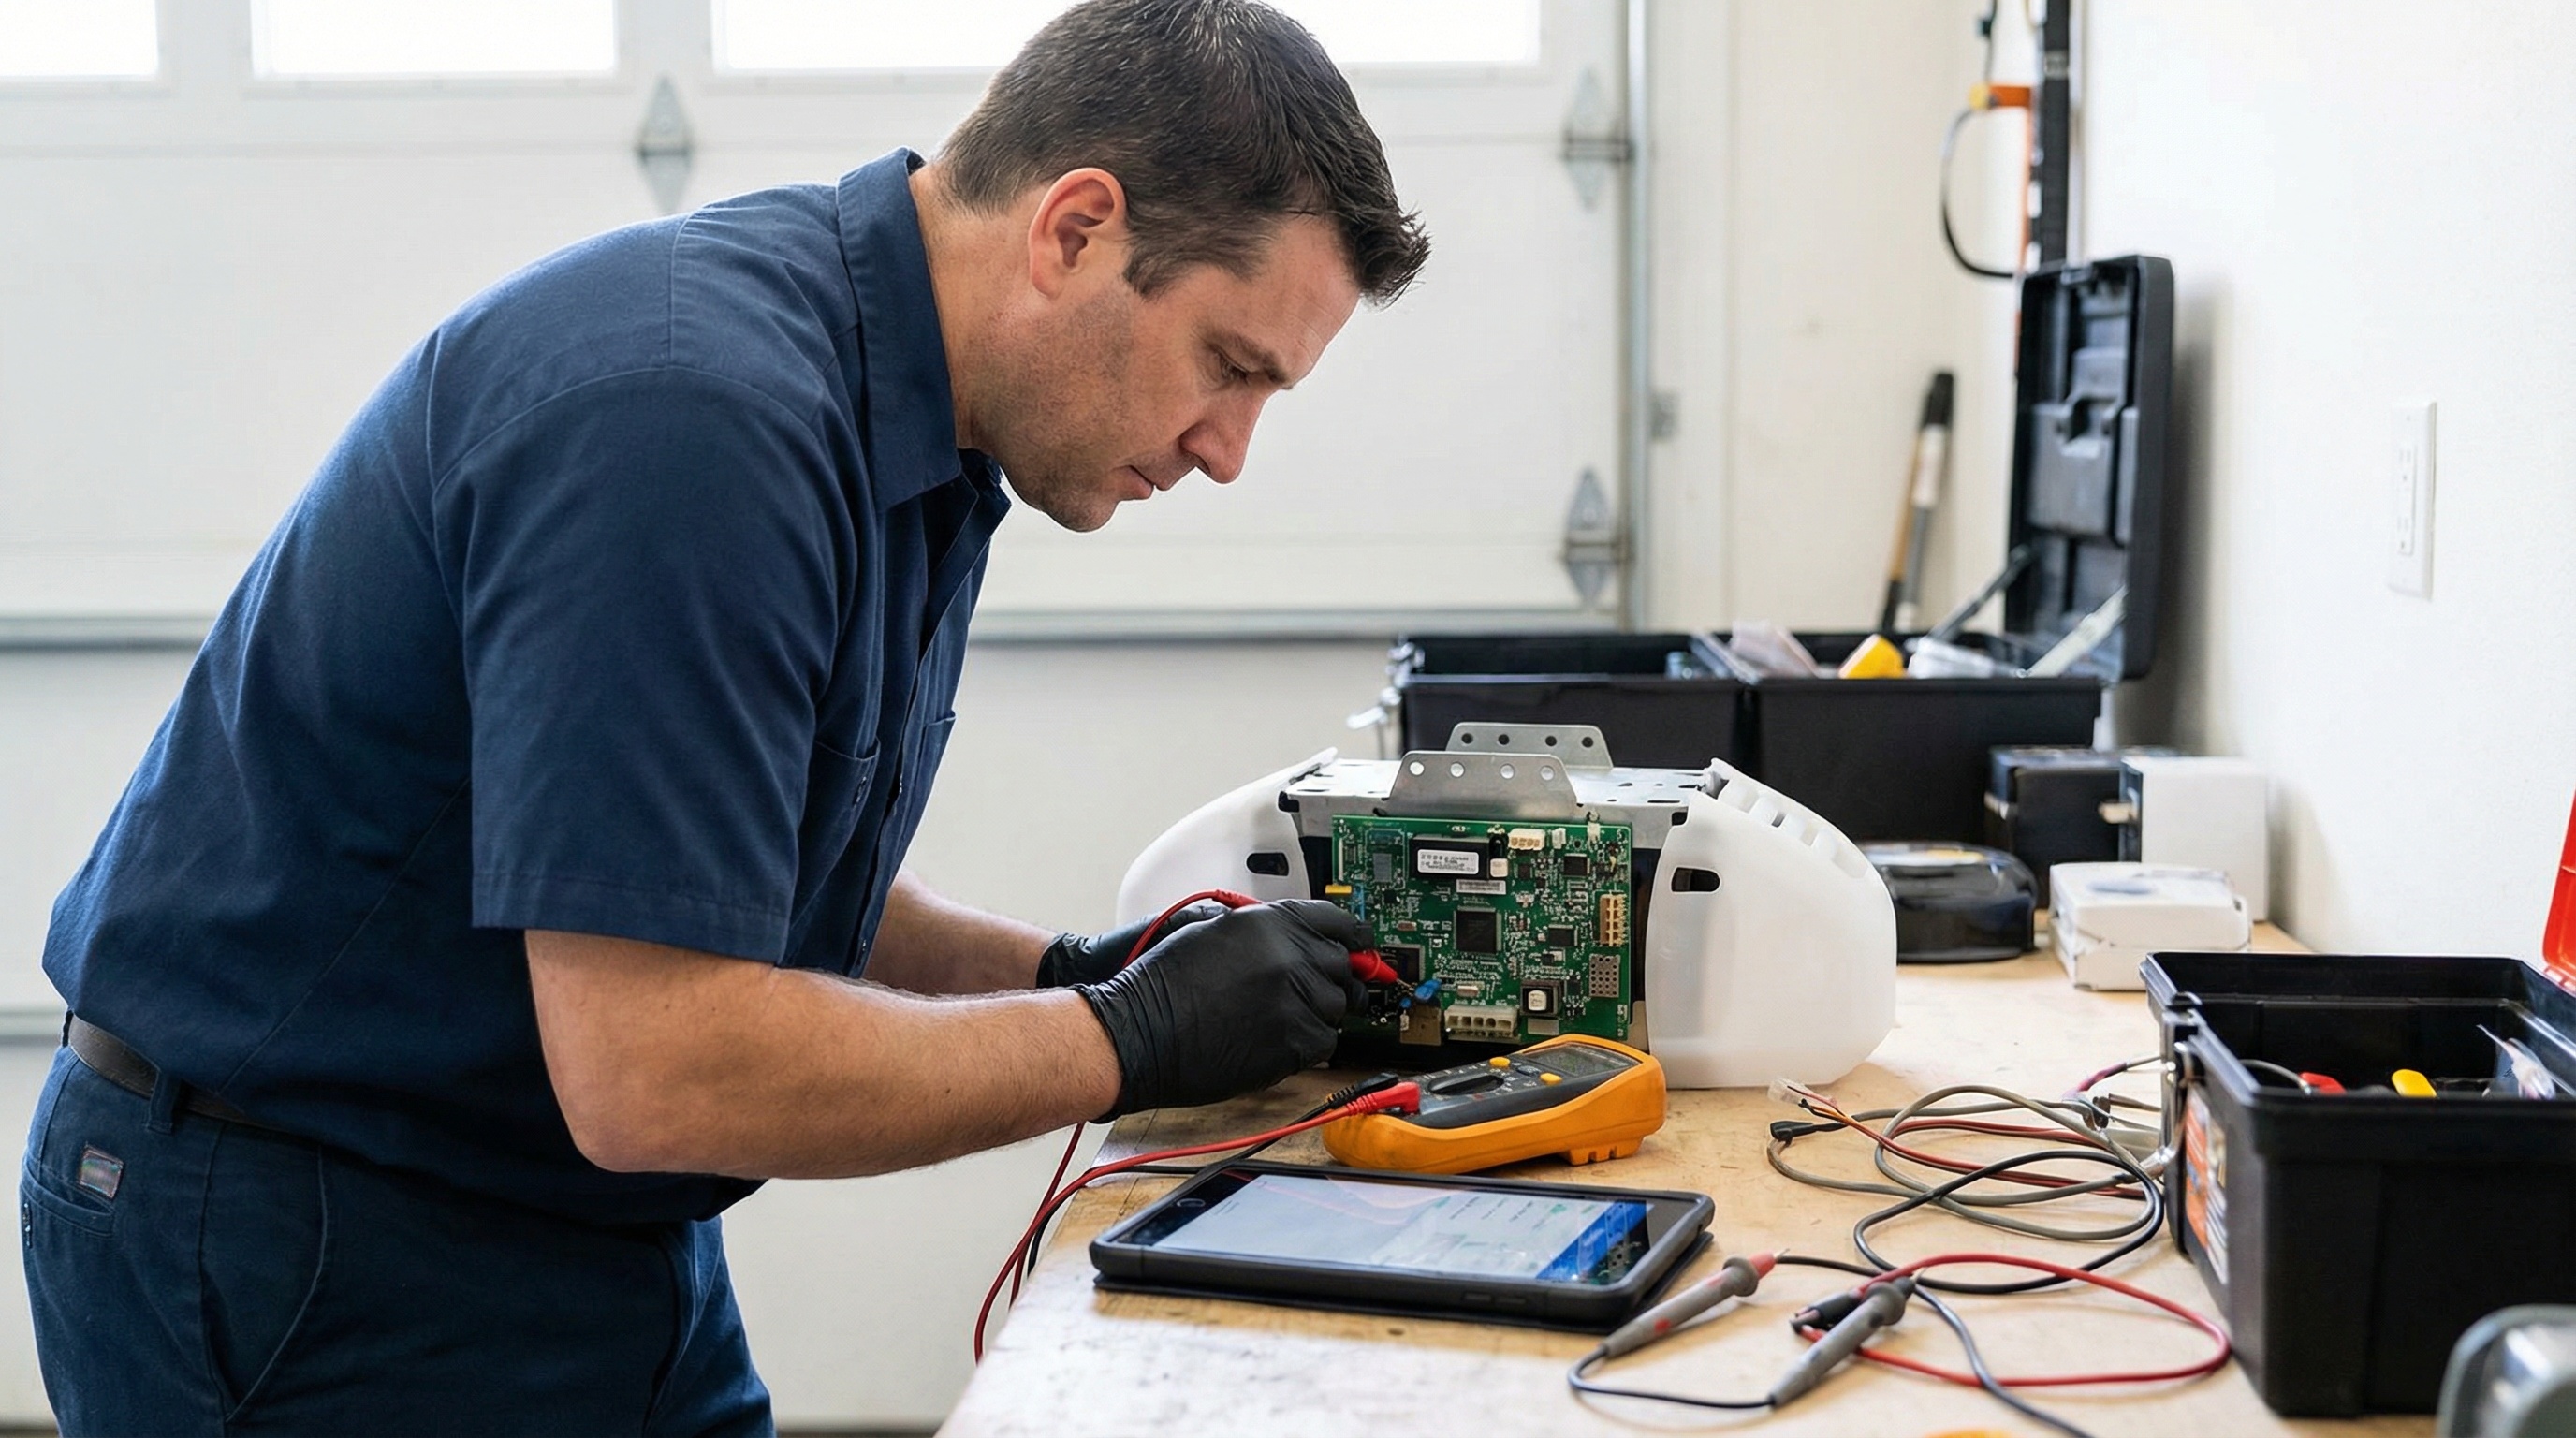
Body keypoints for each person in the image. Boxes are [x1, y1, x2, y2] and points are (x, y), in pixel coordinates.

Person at [19, 1, 1429, 1431]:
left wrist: (1068, 966)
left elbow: (739, 874)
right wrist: (1126, 1034)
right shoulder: (696, 423)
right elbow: (658, 1063)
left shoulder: (920, 435)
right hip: (304, 1231)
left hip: (571, 1221)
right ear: (1074, 230)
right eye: (1231, 365)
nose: (1229, 451)